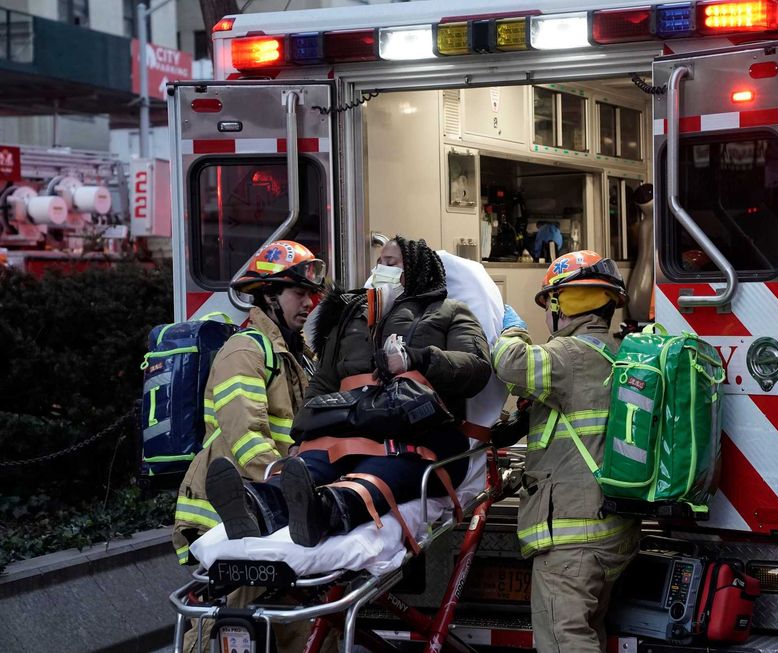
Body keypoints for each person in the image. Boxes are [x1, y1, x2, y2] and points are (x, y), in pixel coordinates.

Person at [206, 236, 492, 548]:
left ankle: (325, 511)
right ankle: (254, 506)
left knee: (374, 473)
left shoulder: (449, 312)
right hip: (349, 428)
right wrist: (300, 438)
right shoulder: (351, 317)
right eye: (379, 262)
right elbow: (323, 383)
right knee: (308, 467)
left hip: (416, 434)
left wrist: (416, 358)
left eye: (390, 263)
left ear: (414, 270)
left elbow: (476, 368)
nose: (379, 269)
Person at [172, 239, 326, 652]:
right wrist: (287, 487)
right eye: (299, 292)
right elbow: (246, 438)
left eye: (312, 294)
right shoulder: (244, 351)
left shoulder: (298, 355)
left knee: (294, 618)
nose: (309, 302)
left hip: (269, 510)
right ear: (269, 294)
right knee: (228, 623)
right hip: (231, 511)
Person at [491, 250, 641, 653]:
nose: (545, 316)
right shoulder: (615, 353)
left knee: (563, 641)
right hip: (609, 531)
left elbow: (511, 364)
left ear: (562, 304)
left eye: (547, 305)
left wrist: (511, 330)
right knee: (588, 633)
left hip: (573, 542)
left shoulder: (570, 356)